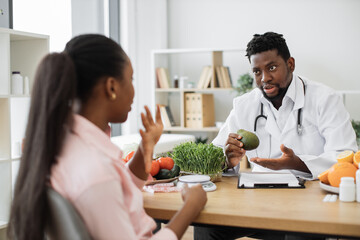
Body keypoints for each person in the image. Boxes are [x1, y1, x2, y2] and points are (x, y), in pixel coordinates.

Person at [8, 34, 207, 240]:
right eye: (131, 79)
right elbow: (104, 185)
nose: (133, 90)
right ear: (111, 87)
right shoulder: (95, 171)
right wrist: (190, 208)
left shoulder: (66, 142)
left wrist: (144, 149)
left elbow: (119, 190)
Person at [194, 32, 358, 240]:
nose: (264, 78)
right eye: (256, 71)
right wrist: (227, 159)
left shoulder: (324, 99)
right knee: (206, 227)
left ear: (290, 64)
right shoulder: (244, 105)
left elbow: (346, 155)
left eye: (271, 67)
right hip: (257, 201)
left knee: (301, 232)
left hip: (308, 202)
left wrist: (298, 163)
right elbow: (216, 152)